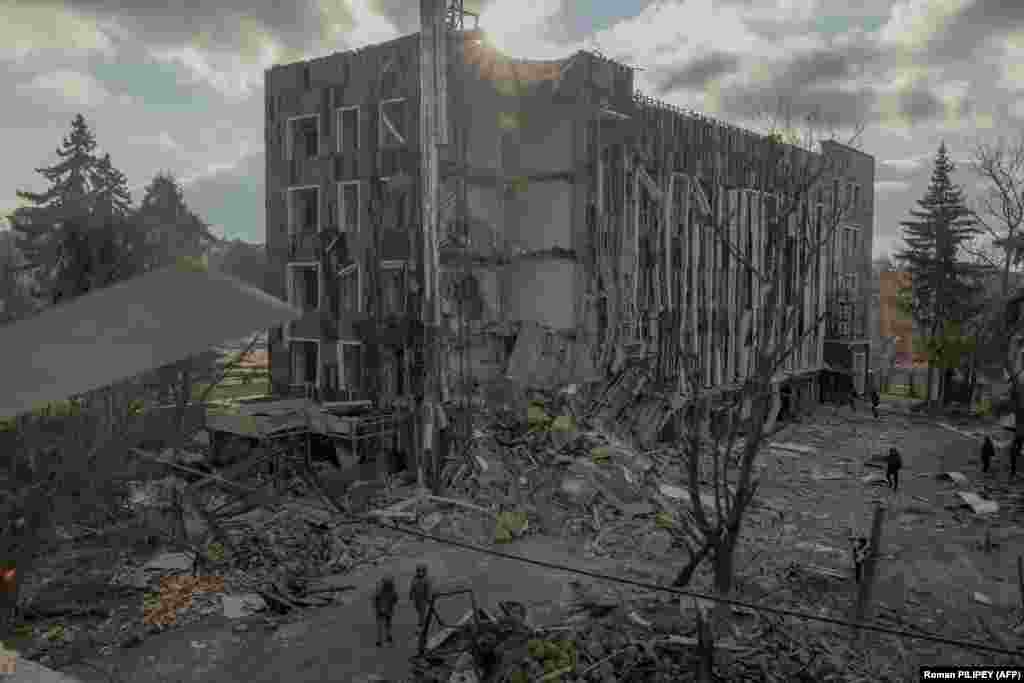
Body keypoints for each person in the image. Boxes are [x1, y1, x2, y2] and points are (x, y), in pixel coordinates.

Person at [373, 576, 398, 647]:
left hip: (383, 610)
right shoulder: (391, 591)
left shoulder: (380, 591)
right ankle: (386, 637)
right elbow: (395, 599)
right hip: (386, 610)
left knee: (382, 625)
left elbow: (375, 599)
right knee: (386, 624)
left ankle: (381, 639)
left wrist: (377, 607)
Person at [409, 563, 433, 631]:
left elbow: (428, 590)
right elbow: (412, 587)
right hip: (416, 598)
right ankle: (422, 623)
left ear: (424, 572)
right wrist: (410, 595)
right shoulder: (415, 578)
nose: (420, 573)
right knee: (419, 610)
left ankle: (421, 626)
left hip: (423, 599)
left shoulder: (426, 580)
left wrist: (429, 598)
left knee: (422, 612)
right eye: (418, 571)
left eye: (422, 571)